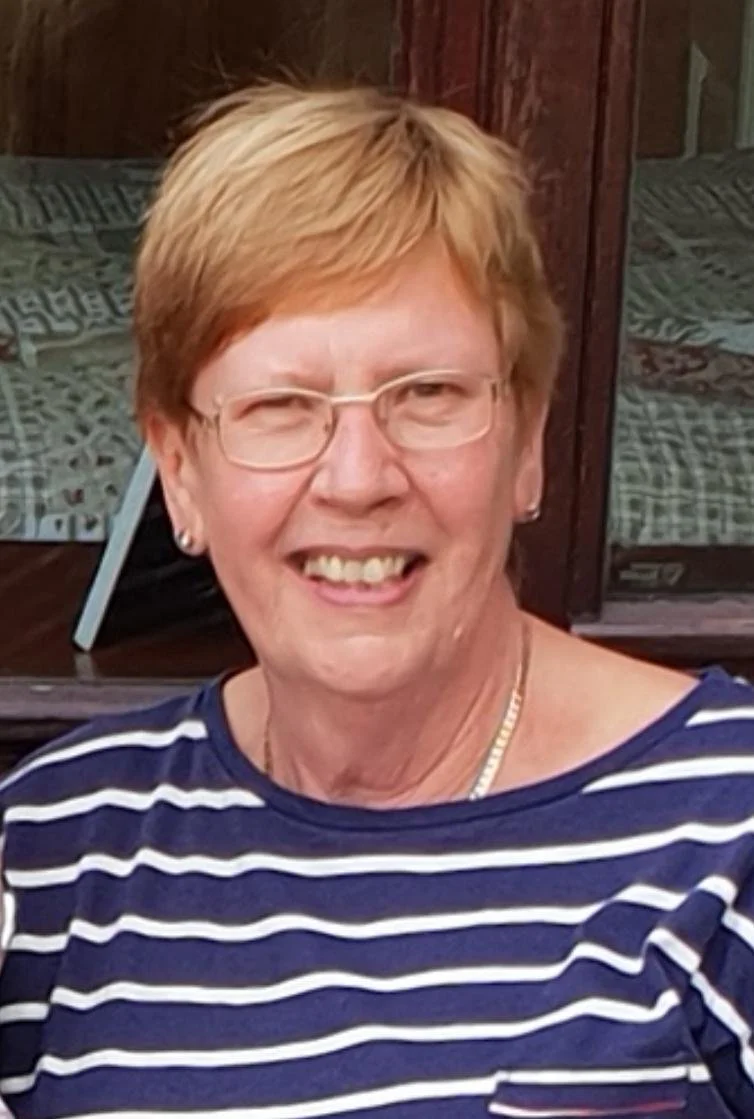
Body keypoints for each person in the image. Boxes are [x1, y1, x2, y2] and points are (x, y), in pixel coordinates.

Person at [1, 83, 753, 1119]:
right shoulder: (57, 842)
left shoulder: (724, 820)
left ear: (528, 439)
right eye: (280, 406)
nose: (357, 477)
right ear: (179, 467)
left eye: (427, 395)